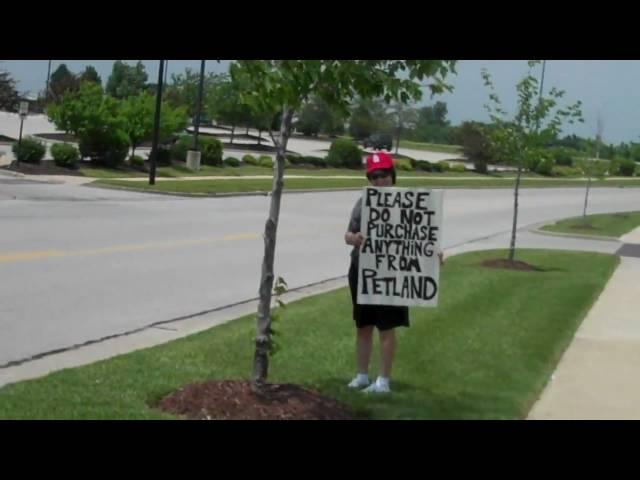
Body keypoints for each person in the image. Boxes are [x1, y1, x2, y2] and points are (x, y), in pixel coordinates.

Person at [344, 151, 443, 393]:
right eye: (374, 176)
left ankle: (383, 381)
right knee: (363, 326)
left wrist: (433, 255)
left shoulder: (409, 202)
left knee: (386, 328)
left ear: (393, 175)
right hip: (363, 272)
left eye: (384, 174)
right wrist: (355, 238)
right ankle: (362, 376)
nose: (379, 180)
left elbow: (422, 238)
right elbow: (347, 235)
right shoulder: (363, 202)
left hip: (393, 275)